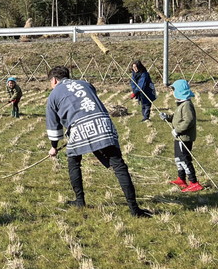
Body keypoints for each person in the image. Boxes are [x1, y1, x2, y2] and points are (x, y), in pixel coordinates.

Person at [45, 66, 152, 217]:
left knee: (74, 161)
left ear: (54, 80)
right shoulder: (85, 83)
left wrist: (54, 147)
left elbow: (53, 125)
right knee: (119, 165)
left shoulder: (54, 94)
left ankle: (80, 200)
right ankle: (135, 209)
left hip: (80, 127)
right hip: (103, 123)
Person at [161, 79, 202, 192]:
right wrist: (167, 117)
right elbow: (176, 117)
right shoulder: (181, 104)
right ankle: (181, 178)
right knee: (178, 158)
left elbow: (189, 120)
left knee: (184, 159)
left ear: (180, 91)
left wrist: (178, 130)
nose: (172, 92)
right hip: (179, 137)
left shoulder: (187, 105)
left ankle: (194, 182)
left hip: (184, 137)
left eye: (174, 90)